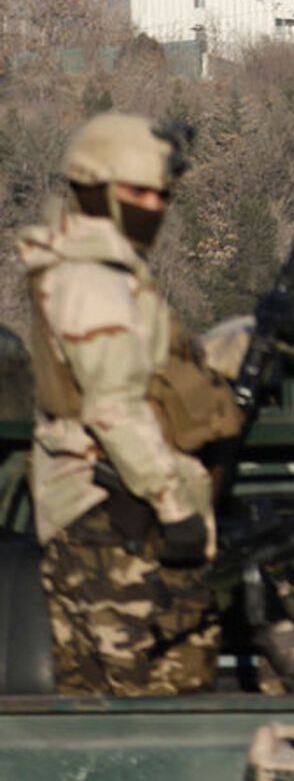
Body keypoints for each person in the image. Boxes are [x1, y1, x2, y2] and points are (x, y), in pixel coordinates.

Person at [17, 113, 239, 696]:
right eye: (138, 192)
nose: (154, 206)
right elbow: (114, 408)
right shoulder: (92, 280)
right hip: (118, 520)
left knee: (94, 715)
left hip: (100, 517)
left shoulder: (94, 271)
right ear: (97, 189)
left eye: (161, 194)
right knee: (163, 709)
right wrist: (174, 508)